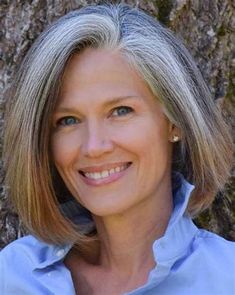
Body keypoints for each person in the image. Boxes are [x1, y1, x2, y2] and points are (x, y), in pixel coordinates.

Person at [0, 3, 234, 295]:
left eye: (121, 111)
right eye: (68, 120)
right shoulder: (13, 276)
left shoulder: (227, 279)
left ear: (175, 122)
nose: (94, 146)